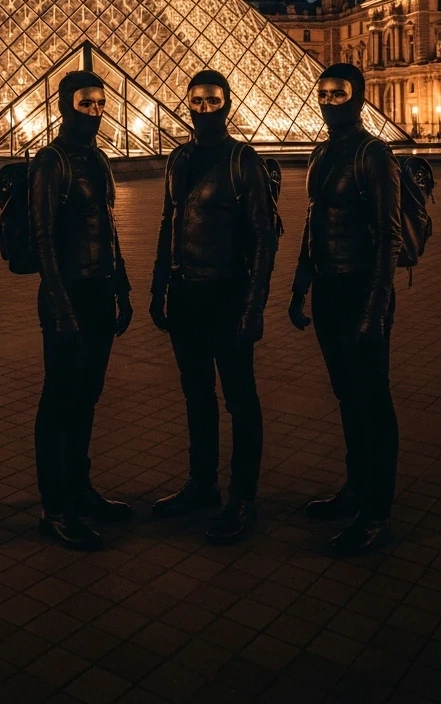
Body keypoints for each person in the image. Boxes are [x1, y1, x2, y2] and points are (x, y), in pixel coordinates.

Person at [150, 70, 277, 544]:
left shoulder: (243, 159)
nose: (204, 108)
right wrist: (158, 287)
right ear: (187, 104)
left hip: (228, 292)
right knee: (196, 396)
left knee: (240, 400)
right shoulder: (179, 157)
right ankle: (202, 485)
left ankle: (243, 498)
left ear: (227, 103)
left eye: (213, 100)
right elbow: (168, 223)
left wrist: (255, 306)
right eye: (197, 101)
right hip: (185, 294)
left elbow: (265, 238)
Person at [288, 63, 402, 556]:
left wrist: (375, 310)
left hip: (362, 290)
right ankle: (356, 488)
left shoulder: (373, 154)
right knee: (347, 395)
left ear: (358, 97)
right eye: (324, 92)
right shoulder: (323, 152)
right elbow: (314, 223)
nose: (329, 99)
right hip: (329, 289)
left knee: (372, 401)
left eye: (340, 92)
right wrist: (299, 285)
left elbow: (389, 236)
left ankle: (377, 512)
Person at [29, 70, 133, 550]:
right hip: (67, 293)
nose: (93, 111)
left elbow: (108, 228)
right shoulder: (51, 161)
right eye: (84, 103)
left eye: (99, 103)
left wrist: (124, 288)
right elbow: (44, 239)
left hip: (98, 291)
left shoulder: (96, 157)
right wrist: (60, 305)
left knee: (87, 397)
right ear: (64, 105)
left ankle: (81, 488)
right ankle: (56, 505)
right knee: (60, 401)